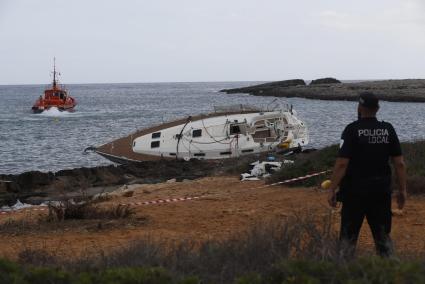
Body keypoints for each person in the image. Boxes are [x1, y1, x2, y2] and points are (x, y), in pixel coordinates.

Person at [327, 92, 407, 257]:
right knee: (383, 238)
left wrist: (331, 189)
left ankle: (343, 273)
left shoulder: (351, 130)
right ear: (378, 108)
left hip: (354, 192)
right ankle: (390, 275)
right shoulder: (388, 129)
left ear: (360, 107)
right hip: (381, 191)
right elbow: (399, 163)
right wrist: (402, 190)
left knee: (347, 239)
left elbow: (342, 163)